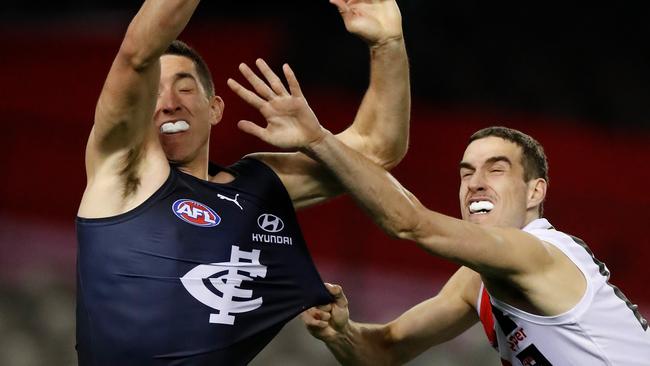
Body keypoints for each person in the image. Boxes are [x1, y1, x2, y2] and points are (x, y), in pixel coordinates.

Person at [228, 61, 650, 364]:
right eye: (466, 172)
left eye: (496, 170)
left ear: (535, 192)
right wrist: (342, 333)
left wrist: (318, 140)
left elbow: (411, 223)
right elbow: (386, 350)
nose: (475, 182)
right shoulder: (476, 281)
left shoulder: (536, 253)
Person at [75, 0, 409, 364]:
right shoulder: (122, 169)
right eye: (153, 91)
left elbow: (376, 151)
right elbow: (137, 54)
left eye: (184, 88)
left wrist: (387, 44)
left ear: (215, 108)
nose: (169, 102)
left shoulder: (258, 186)